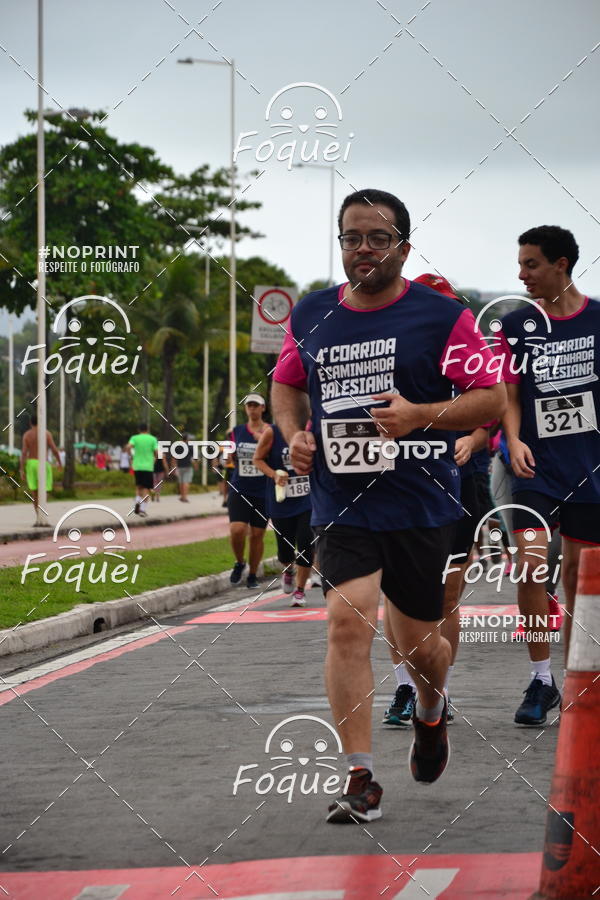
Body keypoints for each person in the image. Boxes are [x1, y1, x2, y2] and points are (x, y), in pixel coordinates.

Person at [272, 188, 506, 823]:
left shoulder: (441, 318)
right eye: (352, 238)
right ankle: (361, 775)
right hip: (341, 500)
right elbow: (287, 383)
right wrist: (294, 433)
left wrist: (421, 417)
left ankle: (432, 713)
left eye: (378, 238)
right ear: (340, 245)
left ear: (403, 245)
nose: (364, 249)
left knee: (421, 647)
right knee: (348, 622)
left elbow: (491, 399)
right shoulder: (313, 314)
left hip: (421, 503)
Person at [500, 225, 600, 725]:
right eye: (520, 265)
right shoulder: (518, 325)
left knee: (581, 581)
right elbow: (510, 395)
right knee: (530, 565)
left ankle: (577, 685)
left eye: (531, 264)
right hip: (536, 467)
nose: (522, 275)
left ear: (561, 264)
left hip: (590, 470)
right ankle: (541, 681)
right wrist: (514, 439)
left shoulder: (598, 319)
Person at [253, 422, 314, 607]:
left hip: (308, 499)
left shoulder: (312, 429)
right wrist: (274, 474)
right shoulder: (273, 432)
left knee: (306, 544)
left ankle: (300, 591)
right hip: (282, 500)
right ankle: (288, 570)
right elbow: (258, 459)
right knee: (285, 550)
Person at [228, 394, 270, 590]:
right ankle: (239, 562)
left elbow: (276, 454)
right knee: (237, 530)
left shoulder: (271, 431)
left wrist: (262, 440)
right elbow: (231, 457)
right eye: (249, 406)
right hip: (240, 487)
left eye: (256, 405)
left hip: (263, 490)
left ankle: (253, 574)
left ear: (263, 408)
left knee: (257, 534)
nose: (252, 409)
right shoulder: (236, 432)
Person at [19, 413, 62, 525]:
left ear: (30, 423)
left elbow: (24, 453)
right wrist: (59, 462)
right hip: (43, 463)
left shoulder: (27, 435)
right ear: (41, 422)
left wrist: (21, 469)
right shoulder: (46, 433)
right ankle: (42, 514)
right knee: (45, 490)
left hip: (31, 463)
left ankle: (39, 516)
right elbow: (54, 449)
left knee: (34, 492)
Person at [126, 423, 158, 517]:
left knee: (139, 486)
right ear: (147, 429)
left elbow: (128, 447)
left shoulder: (134, 438)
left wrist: (130, 455)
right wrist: (154, 459)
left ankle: (137, 501)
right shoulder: (152, 439)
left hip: (137, 466)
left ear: (139, 429)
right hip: (148, 467)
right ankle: (142, 509)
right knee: (146, 488)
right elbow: (156, 451)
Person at [171, 432, 197, 503]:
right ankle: (185, 497)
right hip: (188, 466)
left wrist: (173, 467)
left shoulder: (177, 446)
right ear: (187, 439)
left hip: (179, 467)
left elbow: (174, 458)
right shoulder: (190, 447)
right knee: (186, 482)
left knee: (181, 482)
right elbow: (192, 458)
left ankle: (182, 496)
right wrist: (195, 465)